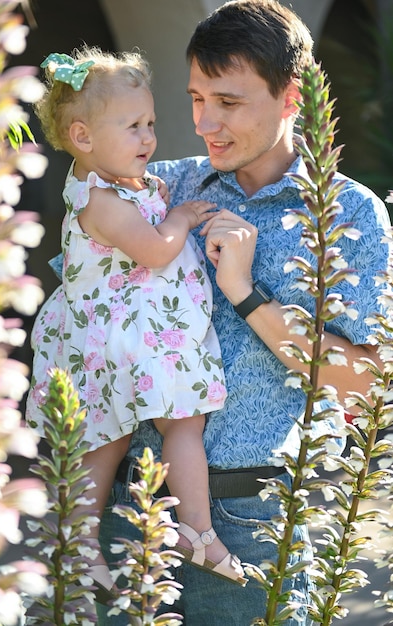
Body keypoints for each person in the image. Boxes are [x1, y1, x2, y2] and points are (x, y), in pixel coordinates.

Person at [94, 1, 392, 624]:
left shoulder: (349, 214)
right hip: (128, 509)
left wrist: (246, 293)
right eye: (197, 98)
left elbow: (369, 381)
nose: (204, 122)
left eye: (229, 103)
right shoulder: (163, 189)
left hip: (253, 525)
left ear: (290, 99)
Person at [25, 45, 248, 605]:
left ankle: (78, 543)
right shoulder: (99, 201)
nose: (149, 138)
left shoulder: (118, 186)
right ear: (82, 138)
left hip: (118, 337)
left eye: (150, 123)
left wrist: (155, 198)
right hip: (133, 340)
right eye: (133, 126)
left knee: (108, 437)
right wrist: (175, 217)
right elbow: (153, 251)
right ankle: (197, 531)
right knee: (183, 422)